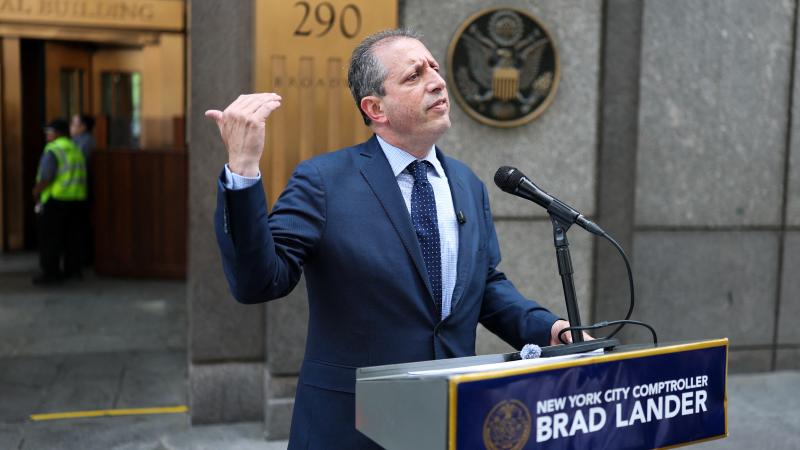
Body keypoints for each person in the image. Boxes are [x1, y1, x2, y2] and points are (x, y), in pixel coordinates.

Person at [207, 29, 580, 449]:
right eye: (414, 75)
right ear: (375, 108)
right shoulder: (323, 181)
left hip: (450, 419)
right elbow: (259, 281)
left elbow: (484, 285)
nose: (437, 81)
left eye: (434, 69)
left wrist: (546, 328)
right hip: (353, 427)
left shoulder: (467, 183)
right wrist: (242, 169)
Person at [32, 119, 88, 285]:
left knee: (50, 239)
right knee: (72, 238)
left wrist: (36, 191)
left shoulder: (54, 150)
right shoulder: (75, 149)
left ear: (57, 133)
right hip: (77, 200)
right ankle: (73, 270)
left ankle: (51, 273)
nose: (47, 135)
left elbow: (47, 177)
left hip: (55, 200)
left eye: (49, 132)